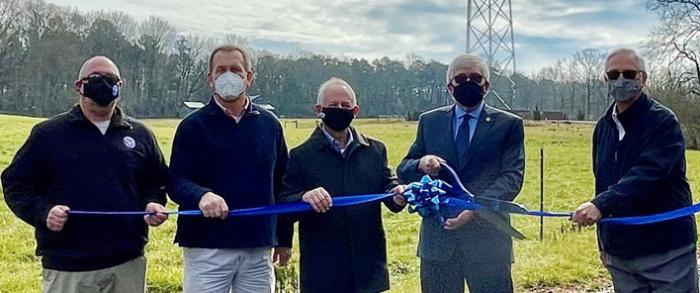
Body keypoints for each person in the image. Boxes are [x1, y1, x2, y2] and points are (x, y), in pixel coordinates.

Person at [1, 56, 169, 293]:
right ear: (79, 85)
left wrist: (153, 203)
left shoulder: (141, 135)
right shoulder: (47, 134)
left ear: (120, 86)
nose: (102, 83)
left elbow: (157, 182)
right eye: (94, 79)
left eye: (109, 79)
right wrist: (43, 212)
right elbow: (15, 184)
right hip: (68, 267)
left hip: (128, 263)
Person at [570, 48, 698, 292]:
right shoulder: (603, 127)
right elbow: (603, 179)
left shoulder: (662, 121)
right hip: (621, 254)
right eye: (613, 74)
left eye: (628, 73)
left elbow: (647, 175)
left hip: (666, 250)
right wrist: (605, 241)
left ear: (643, 78)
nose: (621, 80)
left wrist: (600, 205)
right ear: (605, 79)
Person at [168, 45, 291, 292]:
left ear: (249, 77)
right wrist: (201, 195)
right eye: (221, 70)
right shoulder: (192, 127)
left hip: (257, 247)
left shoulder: (270, 125)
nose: (228, 75)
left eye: (236, 69)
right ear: (210, 78)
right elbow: (176, 181)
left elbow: (283, 183)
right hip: (206, 247)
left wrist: (284, 238)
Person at [397, 54, 525, 293]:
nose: (468, 82)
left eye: (475, 78)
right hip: (438, 244)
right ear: (449, 86)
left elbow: (512, 177)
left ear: (486, 85)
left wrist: (475, 209)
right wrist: (421, 163)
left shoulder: (509, 124)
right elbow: (404, 168)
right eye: (461, 78)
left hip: (488, 242)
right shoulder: (430, 122)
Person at [279, 77, 407, 293]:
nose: (339, 110)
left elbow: (389, 189)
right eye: (333, 106)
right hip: (323, 270)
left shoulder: (375, 151)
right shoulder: (301, 156)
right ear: (319, 109)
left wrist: (399, 192)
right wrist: (304, 197)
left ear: (355, 110)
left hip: (368, 268)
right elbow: (284, 203)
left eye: (345, 106)